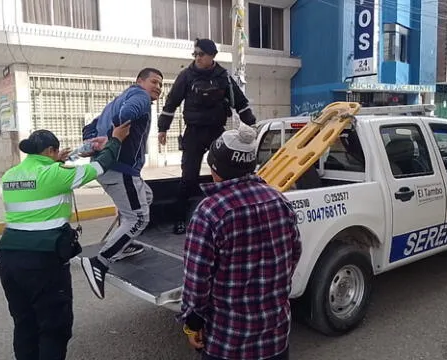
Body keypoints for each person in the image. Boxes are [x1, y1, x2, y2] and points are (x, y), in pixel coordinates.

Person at [0, 123, 130, 360]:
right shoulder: (56, 175)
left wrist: (63, 158)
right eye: (55, 152)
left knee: (24, 322)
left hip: (9, 257)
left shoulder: (10, 175)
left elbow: (42, 180)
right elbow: (100, 166)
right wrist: (116, 140)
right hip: (43, 260)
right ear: (50, 151)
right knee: (54, 327)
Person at [178, 123, 302, 360]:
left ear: (215, 168)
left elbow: (196, 281)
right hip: (275, 340)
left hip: (227, 343)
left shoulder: (210, 212)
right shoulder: (279, 201)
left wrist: (193, 323)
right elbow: (294, 254)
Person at [157, 38, 257, 235]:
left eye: (201, 54)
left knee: (227, 174)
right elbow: (172, 102)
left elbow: (240, 102)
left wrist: (252, 124)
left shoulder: (223, 77)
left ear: (212, 55)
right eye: (195, 54)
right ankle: (179, 218)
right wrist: (163, 128)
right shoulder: (186, 76)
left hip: (216, 132)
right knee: (188, 178)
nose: (197, 57)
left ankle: (227, 215)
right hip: (193, 132)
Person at [80, 67, 163, 300]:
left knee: (145, 198)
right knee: (139, 218)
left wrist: (101, 140)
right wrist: (114, 134)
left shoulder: (115, 101)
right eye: (154, 82)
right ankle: (99, 261)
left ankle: (123, 244)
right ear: (140, 81)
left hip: (110, 169)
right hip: (121, 170)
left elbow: (90, 129)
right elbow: (126, 114)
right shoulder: (139, 97)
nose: (157, 87)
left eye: (160, 84)